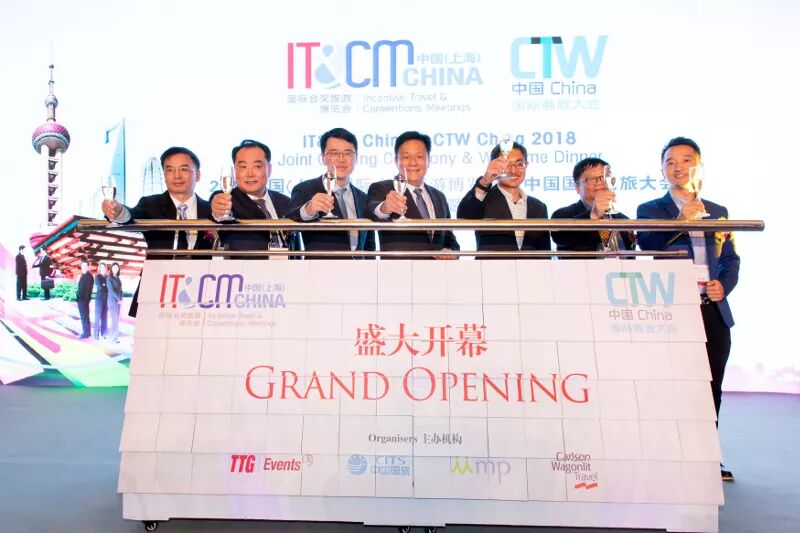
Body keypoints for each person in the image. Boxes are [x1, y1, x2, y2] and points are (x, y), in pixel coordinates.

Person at [637, 136, 740, 482]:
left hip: (712, 308)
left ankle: (708, 455)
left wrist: (723, 284)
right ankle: (671, 453)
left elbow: (730, 259)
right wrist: (681, 219)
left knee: (712, 385)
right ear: (662, 170)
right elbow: (648, 244)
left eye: (685, 160)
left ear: (699, 165)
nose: (677, 167)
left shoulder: (719, 210)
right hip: (673, 310)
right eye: (670, 162)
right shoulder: (651, 210)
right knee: (674, 384)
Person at [101, 146, 213, 316]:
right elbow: (131, 217)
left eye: (184, 169)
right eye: (170, 170)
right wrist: (118, 211)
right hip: (157, 288)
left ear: (198, 175)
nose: (177, 176)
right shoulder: (150, 204)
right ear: (164, 175)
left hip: (201, 290)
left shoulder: (211, 209)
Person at [366, 131, 459, 257]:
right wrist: (385, 207)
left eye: (419, 156)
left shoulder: (439, 197)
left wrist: (451, 252)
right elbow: (371, 212)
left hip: (437, 268)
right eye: (406, 157)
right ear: (396, 161)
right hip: (399, 268)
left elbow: (449, 239)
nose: (413, 162)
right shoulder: (382, 188)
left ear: (429, 160)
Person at [287, 128, 376, 258]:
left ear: (356, 157)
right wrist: (309, 210)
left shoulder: (364, 198)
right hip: (320, 268)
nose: (341, 159)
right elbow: (289, 223)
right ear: (323, 158)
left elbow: (369, 246)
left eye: (348, 153)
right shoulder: (305, 189)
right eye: (334, 153)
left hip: (359, 268)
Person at [457, 141, 550, 253]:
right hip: (493, 264)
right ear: (494, 165)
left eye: (519, 164)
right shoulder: (483, 199)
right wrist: (485, 181)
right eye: (507, 164)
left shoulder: (539, 207)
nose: (513, 170)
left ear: (526, 165)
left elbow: (545, 253)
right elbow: (463, 217)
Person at [210, 139, 296, 253]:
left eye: (257, 166)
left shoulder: (286, 202)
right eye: (243, 167)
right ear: (234, 170)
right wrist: (219, 211)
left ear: (269, 169)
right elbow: (220, 214)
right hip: (246, 263)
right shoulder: (226, 198)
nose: (250, 174)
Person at [551, 157, 635, 252]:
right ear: (577, 188)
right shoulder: (562, 215)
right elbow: (560, 237)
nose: (599, 183)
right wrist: (593, 215)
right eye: (591, 179)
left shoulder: (623, 219)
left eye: (603, 177)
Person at [76, 260, 93, 339]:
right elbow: (79, 287)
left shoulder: (89, 276)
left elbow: (89, 290)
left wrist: (86, 301)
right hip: (80, 299)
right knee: (84, 317)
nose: (84, 267)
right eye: (83, 266)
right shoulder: (82, 276)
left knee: (84, 317)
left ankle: (85, 333)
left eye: (85, 266)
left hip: (84, 301)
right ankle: (87, 332)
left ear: (88, 267)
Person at [106, 262, 123, 343]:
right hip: (112, 301)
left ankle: (113, 337)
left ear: (118, 269)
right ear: (111, 269)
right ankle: (112, 338)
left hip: (118, 301)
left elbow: (121, 290)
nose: (115, 269)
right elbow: (111, 291)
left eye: (117, 267)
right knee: (114, 319)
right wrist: (118, 299)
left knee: (116, 320)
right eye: (114, 267)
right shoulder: (109, 278)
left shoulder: (118, 278)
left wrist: (121, 299)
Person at [92, 262, 108, 340]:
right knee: (97, 317)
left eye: (104, 267)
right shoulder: (97, 277)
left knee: (105, 317)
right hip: (99, 299)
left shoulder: (107, 277)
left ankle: (104, 333)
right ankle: (96, 334)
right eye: (101, 267)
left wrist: (104, 285)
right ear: (99, 268)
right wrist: (105, 285)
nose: (103, 268)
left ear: (105, 268)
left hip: (106, 299)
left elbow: (109, 287)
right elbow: (100, 287)